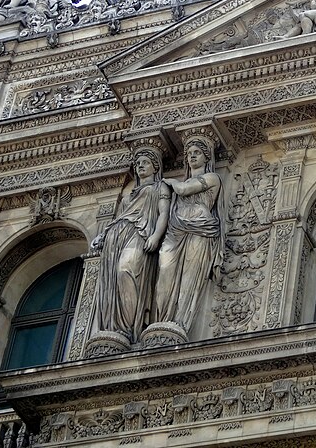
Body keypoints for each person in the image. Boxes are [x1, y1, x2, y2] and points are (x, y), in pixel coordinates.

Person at [93, 148, 171, 344]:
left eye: (145, 162)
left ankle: (129, 326)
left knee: (125, 270)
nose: (140, 166)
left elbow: (164, 214)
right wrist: (102, 235)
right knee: (112, 282)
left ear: (155, 166)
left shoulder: (159, 188)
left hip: (140, 233)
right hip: (117, 235)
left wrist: (155, 235)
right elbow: (119, 217)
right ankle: (116, 329)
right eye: (138, 164)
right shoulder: (129, 194)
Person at [155, 137, 223, 334]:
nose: (192, 156)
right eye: (189, 153)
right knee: (164, 272)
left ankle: (180, 323)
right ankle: (162, 319)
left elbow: (185, 189)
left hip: (199, 229)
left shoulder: (212, 178)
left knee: (189, 278)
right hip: (175, 230)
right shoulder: (180, 182)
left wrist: (167, 181)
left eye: (197, 153)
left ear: (206, 157)